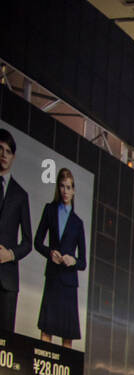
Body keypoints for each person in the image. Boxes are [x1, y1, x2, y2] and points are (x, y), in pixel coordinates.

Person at [32, 167, 86, 347]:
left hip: (69, 283)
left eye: (69, 187)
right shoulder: (50, 210)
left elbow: (83, 262)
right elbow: (37, 242)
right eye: (62, 186)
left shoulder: (78, 223)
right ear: (58, 188)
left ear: (73, 190)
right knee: (46, 330)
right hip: (53, 277)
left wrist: (73, 261)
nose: (65, 191)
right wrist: (50, 253)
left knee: (67, 336)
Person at [0, 129, 33, 334]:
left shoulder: (21, 195)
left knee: (5, 343)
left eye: (8, 151)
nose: (3, 154)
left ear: (13, 156)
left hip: (8, 282)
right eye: (0, 149)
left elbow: (28, 242)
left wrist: (10, 255)